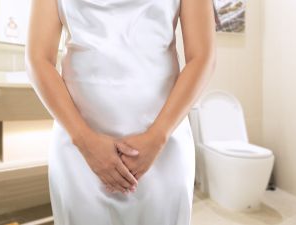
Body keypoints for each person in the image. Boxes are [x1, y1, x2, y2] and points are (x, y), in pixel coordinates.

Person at [25, 0, 216, 224]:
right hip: (78, 147)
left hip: (163, 145)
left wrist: (158, 137)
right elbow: (38, 58)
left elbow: (203, 57)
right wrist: (84, 141)